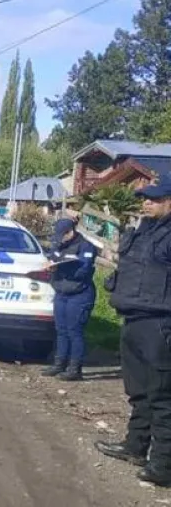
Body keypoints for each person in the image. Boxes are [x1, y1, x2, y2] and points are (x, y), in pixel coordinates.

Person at [96, 174, 171, 487]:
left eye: (154, 198)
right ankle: (135, 447)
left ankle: (163, 466)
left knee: (162, 397)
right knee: (138, 392)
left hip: (160, 324)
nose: (146, 202)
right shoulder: (142, 230)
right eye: (145, 197)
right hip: (133, 318)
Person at [40, 217, 98, 381]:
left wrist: (63, 268)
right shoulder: (60, 244)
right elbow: (53, 256)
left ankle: (75, 368)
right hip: (62, 292)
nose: (59, 240)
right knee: (61, 330)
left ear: (70, 232)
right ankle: (59, 364)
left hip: (79, 293)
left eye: (62, 235)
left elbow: (84, 270)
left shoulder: (86, 246)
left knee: (74, 331)